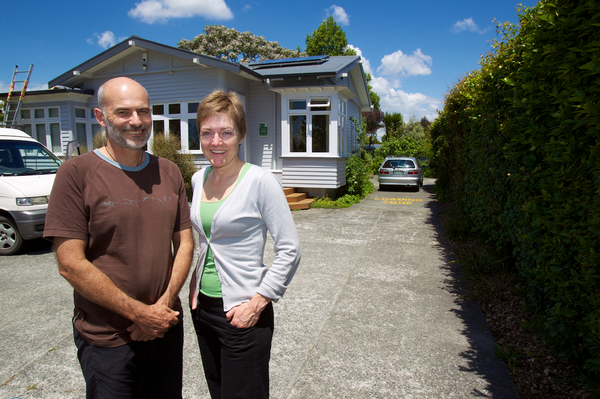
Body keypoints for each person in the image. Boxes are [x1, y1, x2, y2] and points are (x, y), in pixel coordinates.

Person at [43, 77, 194, 399]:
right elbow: (70, 264)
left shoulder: (168, 171)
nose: (136, 122)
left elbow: (185, 244)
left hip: (164, 326)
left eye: (144, 111)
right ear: (100, 117)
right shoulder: (76, 173)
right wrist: (139, 314)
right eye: (123, 112)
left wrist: (161, 308)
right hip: (108, 338)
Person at [189, 90, 301, 399]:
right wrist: (194, 285)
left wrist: (258, 303)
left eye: (226, 132)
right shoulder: (199, 179)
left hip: (243, 311)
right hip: (204, 308)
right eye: (207, 133)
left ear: (241, 134)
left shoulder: (260, 181)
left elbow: (290, 250)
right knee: (219, 390)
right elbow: (205, 238)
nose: (216, 142)